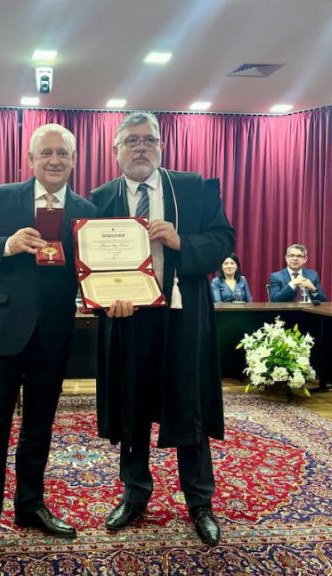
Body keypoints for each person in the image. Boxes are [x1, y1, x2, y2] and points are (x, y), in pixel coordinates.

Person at [0, 123, 96, 571]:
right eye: (46, 153)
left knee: (40, 427)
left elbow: (93, 267)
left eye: (63, 154)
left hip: (53, 333)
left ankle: (30, 506)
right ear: (30, 159)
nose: (55, 160)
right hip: (2, 332)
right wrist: (7, 244)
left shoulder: (85, 209)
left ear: (74, 160)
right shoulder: (3, 196)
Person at [89, 111, 235, 546]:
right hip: (128, 319)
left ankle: (199, 501)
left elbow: (224, 239)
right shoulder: (100, 198)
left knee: (187, 404)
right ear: (115, 151)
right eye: (131, 141)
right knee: (131, 407)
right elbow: (90, 264)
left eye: (148, 140)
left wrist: (180, 241)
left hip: (182, 316)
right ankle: (135, 494)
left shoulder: (193, 188)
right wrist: (101, 302)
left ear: (161, 146)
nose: (140, 147)